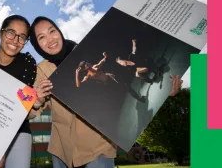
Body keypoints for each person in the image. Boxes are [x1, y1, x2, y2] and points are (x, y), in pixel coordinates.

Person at [28, 16, 183, 168]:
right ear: (37, 45)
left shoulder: (84, 51)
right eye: (42, 37)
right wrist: (38, 101)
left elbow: (119, 86)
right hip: (62, 150)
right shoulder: (41, 70)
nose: (50, 39)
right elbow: (29, 112)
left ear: (59, 31)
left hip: (98, 145)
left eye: (52, 31)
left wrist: (165, 94)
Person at [0, 15, 37, 168]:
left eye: (22, 37)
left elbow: (19, 107)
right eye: (11, 32)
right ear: (0, 33)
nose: (15, 40)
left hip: (18, 128)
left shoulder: (27, 63)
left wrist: (0, 147)